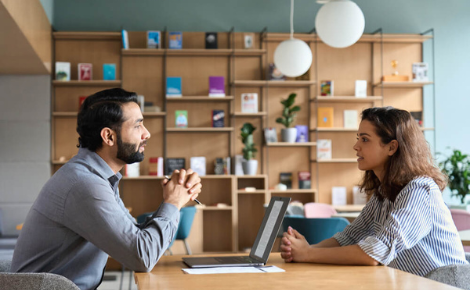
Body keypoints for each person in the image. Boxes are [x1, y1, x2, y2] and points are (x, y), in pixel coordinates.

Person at [11, 88, 202, 290]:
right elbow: (142, 257)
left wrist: (173, 198)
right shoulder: (85, 184)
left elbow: (135, 237)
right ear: (108, 136)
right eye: (138, 125)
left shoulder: (97, 177)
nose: (147, 133)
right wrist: (172, 203)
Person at [280, 106, 468, 276]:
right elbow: (348, 238)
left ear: (392, 147)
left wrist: (308, 253)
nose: (356, 146)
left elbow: (375, 253)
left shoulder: (420, 190)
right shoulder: (383, 194)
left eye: (365, 139)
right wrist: (304, 249)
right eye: (358, 138)